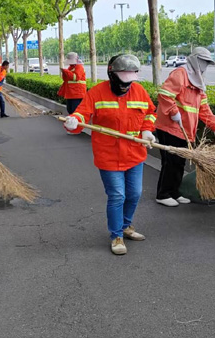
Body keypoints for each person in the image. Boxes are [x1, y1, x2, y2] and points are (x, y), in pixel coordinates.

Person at [63, 54, 156, 256]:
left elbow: (150, 112)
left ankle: (126, 226)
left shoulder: (139, 91)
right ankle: (116, 235)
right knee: (117, 195)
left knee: (134, 193)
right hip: (109, 154)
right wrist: (73, 120)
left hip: (134, 153)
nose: (126, 85)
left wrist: (147, 130)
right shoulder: (97, 93)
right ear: (112, 75)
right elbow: (81, 113)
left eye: (130, 80)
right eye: (123, 80)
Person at [155, 47, 215, 207]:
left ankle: (174, 192)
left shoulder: (198, 81)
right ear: (195, 60)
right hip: (170, 126)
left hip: (185, 129)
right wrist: (173, 112)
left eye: (207, 63)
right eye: (203, 61)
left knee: (179, 162)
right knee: (171, 162)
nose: (204, 66)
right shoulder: (181, 74)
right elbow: (164, 94)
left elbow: (204, 108)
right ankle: (163, 194)